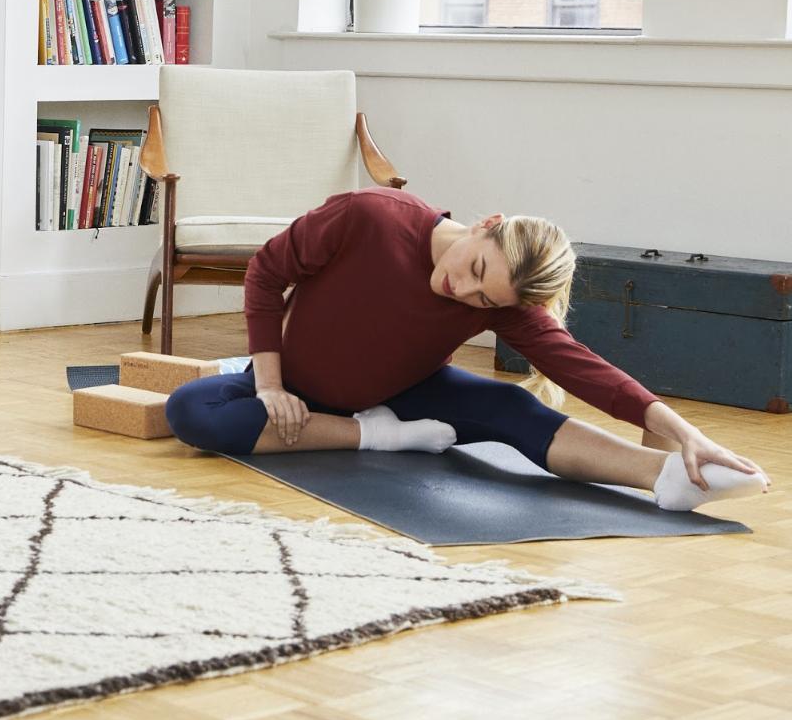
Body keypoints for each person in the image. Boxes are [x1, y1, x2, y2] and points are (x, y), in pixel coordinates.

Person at [162, 187, 770, 513]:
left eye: (484, 299)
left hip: (406, 392)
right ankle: (379, 436)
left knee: (514, 410)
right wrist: (269, 385)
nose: (465, 289)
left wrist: (684, 432)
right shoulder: (370, 217)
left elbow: (576, 364)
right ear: (486, 223)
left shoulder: (501, 299)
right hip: (294, 387)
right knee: (191, 412)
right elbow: (266, 274)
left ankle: (666, 479)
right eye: (477, 267)